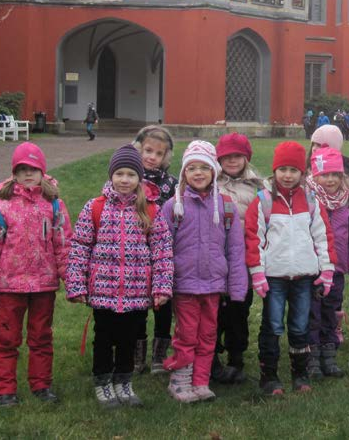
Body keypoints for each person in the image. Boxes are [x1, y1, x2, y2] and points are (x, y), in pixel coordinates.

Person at [66, 145, 173, 408]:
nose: (125, 180)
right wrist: (76, 284)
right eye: (120, 174)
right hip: (103, 291)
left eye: (131, 175)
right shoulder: (96, 207)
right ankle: (103, 382)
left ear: (139, 179)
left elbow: (162, 251)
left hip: (137, 292)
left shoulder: (150, 210)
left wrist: (161, 287)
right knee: (104, 338)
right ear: (111, 175)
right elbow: (80, 246)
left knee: (128, 340)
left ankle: (124, 382)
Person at [0, 142, 72, 406]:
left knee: (42, 337)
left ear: (42, 171)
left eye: (33, 168)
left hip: (43, 286)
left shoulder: (53, 205)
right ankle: (4, 390)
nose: (28, 174)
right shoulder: (2, 207)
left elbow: (64, 244)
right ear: (14, 174)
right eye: (22, 169)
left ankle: (41, 385)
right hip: (10, 287)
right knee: (7, 339)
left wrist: (71, 279)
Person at [245, 141, 336, 396]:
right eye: (282, 169)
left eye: (293, 170)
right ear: (274, 170)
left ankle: (300, 373)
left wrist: (327, 270)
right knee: (273, 325)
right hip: (274, 278)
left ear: (302, 173)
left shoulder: (310, 201)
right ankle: (269, 376)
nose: (287, 175)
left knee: (299, 326)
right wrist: (257, 273)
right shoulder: (262, 201)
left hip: (304, 278)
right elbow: (254, 239)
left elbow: (323, 236)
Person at [160, 141, 247, 403]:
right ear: (184, 172)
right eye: (192, 168)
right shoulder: (173, 207)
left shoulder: (226, 206)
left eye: (204, 168)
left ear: (214, 171)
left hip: (213, 285)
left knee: (208, 335)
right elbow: (163, 248)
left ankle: (200, 381)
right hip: (185, 285)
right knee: (186, 334)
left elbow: (235, 249)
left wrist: (237, 287)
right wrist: (164, 285)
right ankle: (180, 381)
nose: (198, 173)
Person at [304, 146, 349, 379]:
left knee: (331, 313)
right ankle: (312, 357)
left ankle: (329, 356)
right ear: (315, 176)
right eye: (325, 175)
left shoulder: (347, 205)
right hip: (312, 269)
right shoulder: (307, 201)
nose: (330, 180)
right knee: (312, 314)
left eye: (335, 175)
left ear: (342, 176)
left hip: (337, 269)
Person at [211, 133, 264, 384]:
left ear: (246, 158)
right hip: (213, 258)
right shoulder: (209, 182)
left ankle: (236, 357)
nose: (232, 161)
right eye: (226, 156)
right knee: (213, 310)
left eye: (237, 156)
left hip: (243, 260)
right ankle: (210, 357)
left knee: (238, 310)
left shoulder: (258, 187)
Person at [131, 125, 178, 374]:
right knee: (138, 304)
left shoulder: (172, 184)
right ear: (138, 149)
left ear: (165, 157)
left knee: (163, 303)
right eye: (148, 151)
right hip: (134, 253)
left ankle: (159, 355)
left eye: (158, 154)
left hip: (163, 252)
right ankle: (137, 355)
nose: (152, 157)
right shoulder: (127, 177)